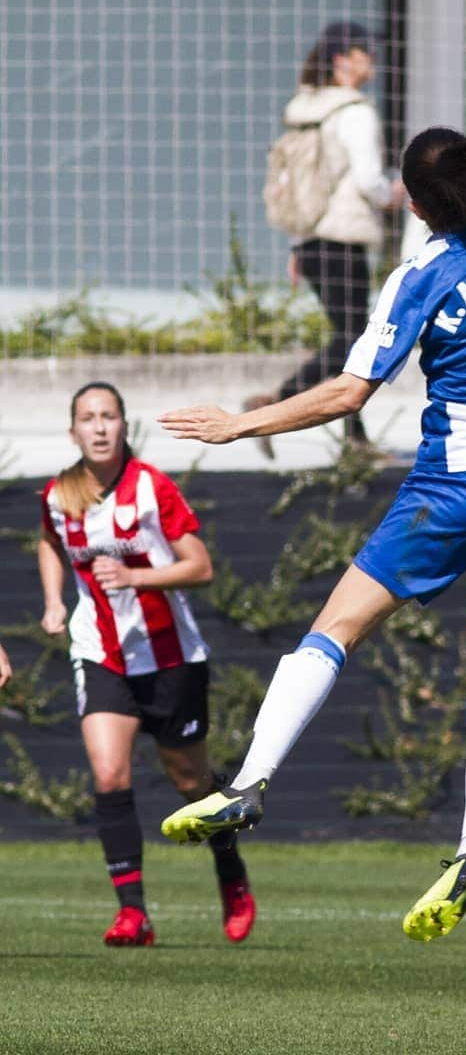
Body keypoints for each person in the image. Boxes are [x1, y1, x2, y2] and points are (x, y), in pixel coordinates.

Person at [157, 128, 466, 942]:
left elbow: (349, 392)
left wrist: (239, 424)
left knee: (337, 627)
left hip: (458, 484)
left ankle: (251, 782)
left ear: (415, 201)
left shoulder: (426, 273)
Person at [37, 382, 255, 947]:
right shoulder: (59, 495)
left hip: (170, 657)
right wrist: (54, 601)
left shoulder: (152, 487)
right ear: (73, 432)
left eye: (109, 416)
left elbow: (200, 566)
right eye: (88, 417)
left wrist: (135, 576)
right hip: (101, 652)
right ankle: (132, 913)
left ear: (124, 426)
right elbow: (48, 541)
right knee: (109, 774)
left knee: (190, 783)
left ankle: (231, 871)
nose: (100, 427)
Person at [246, 20, 407, 456]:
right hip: (342, 240)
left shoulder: (305, 108)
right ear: (342, 61)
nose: (371, 59)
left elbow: (295, 182)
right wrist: (400, 192)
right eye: (364, 51)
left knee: (351, 339)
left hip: (312, 242)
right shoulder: (355, 112)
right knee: (353, 341)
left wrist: (297, 245)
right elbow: (370, 181)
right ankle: (274, 403)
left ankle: (354, 438)